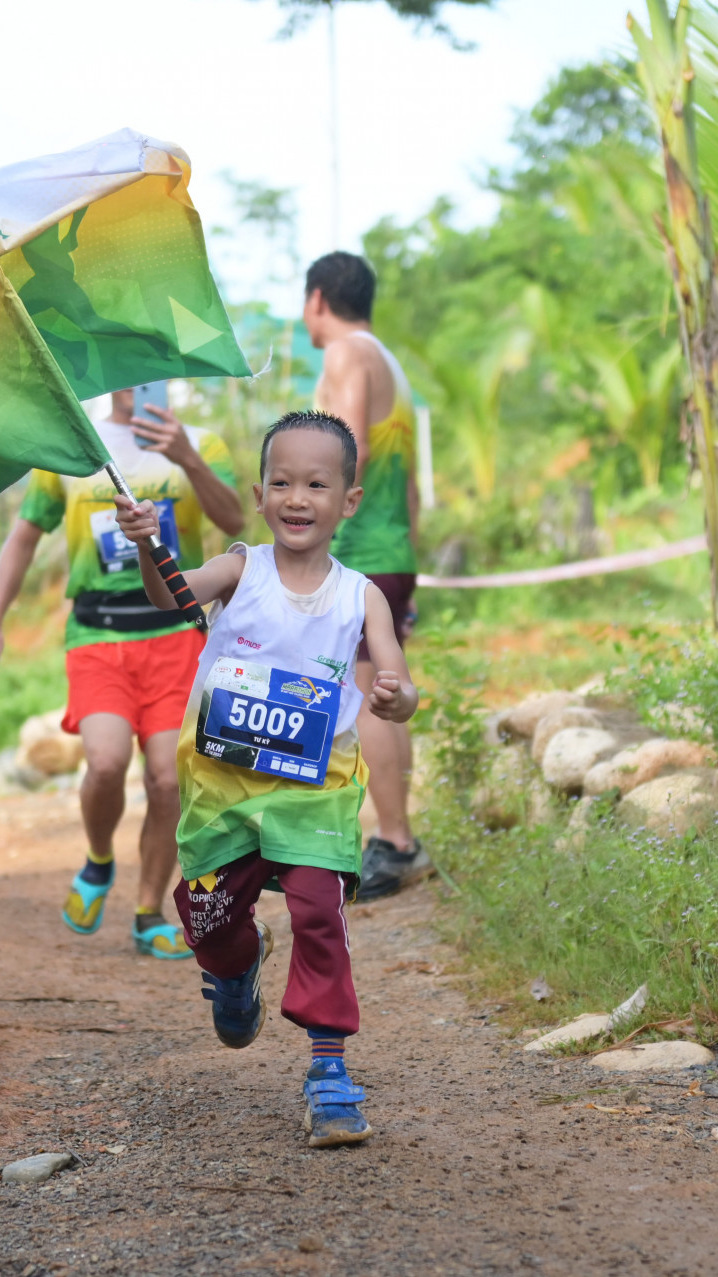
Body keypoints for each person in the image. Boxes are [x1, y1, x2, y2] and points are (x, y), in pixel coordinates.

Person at [114, 410, 418, 1148]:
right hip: (221, 788)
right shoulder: (241, 567)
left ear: (347, 500)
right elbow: (170, 596)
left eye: (316, 483)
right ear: (259, 492)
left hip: (313, 788)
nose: (297, 497)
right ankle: (236, 965)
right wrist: (151, 542)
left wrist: (395, 695)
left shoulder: (362, 595)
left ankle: (329, 1070)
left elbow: (401, 684)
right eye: (282, 481)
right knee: (211, 924)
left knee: (319, 909)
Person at [0, 386, 244, 959]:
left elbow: (233, 518)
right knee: (106, 762)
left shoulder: (200, 443)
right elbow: (23, 538)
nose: (139, 383)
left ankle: (148, 913)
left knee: (168, 780)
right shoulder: (71, 451)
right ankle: (98, 860)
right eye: (128, 369)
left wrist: (187, 457)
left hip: (174, 633)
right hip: (98, 637)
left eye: (152, 370)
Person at [302, 251, 430, 899]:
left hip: (360, 552)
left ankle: (397, 840)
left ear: (316, 298)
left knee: (367, 698)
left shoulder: (346, 352)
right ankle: (399, 837)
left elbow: (348, 444)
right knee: (386, 686)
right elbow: (408, 487)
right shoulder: (390, 360)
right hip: (394, 551)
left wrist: (305, 542)